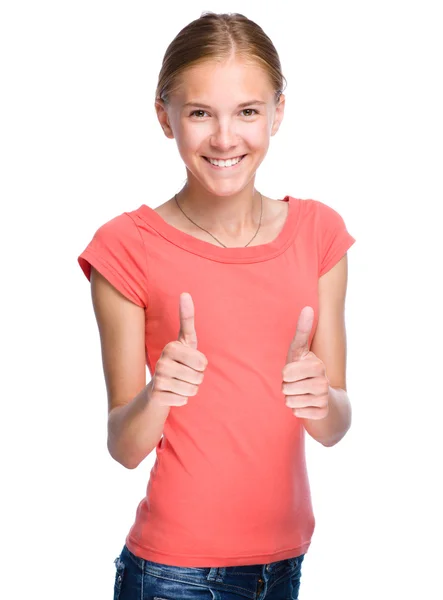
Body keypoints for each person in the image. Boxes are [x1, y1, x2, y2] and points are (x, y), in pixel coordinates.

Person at [77, 11, 356, 600]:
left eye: (247, 112)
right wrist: (159, 395)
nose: (225, 138)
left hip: (286, 562)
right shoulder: (126, 247)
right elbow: (123, 448)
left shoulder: (320, 234)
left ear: (278, 112)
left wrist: (319, 398)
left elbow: (334, 426)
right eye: (200, 113)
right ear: (164, 117)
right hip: (173, 575)